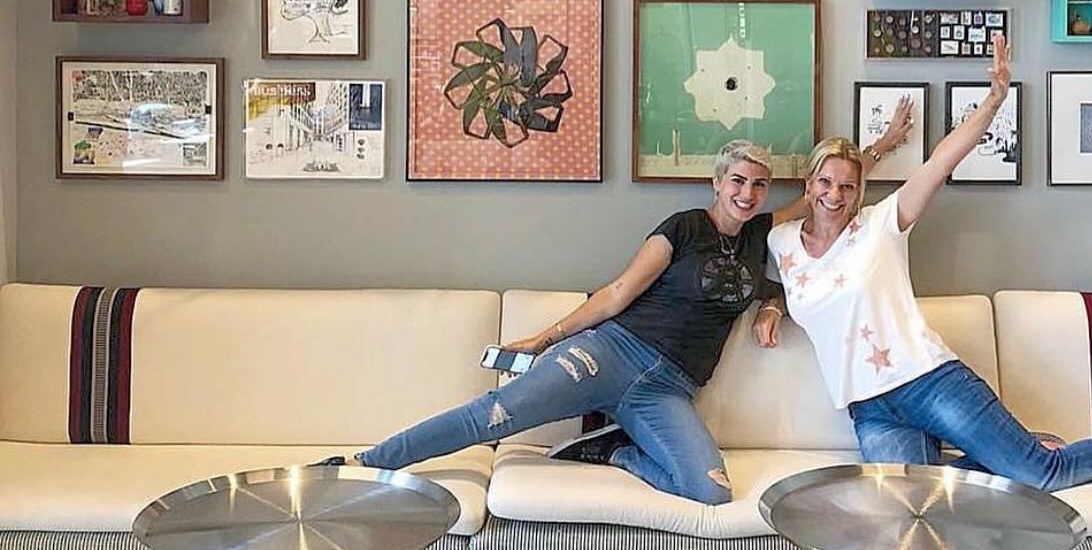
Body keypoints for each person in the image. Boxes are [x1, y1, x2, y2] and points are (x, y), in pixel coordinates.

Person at [314, 125, 914, 503]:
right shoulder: (683, 227)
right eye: (738, 180)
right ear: (717, 182)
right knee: (493, 416)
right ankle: (364, 464)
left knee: (709, 490)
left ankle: (612, 449)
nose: (748, 193)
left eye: (759, 185)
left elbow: (825, 194)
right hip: (607, 355)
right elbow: (618, 292)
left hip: (667, 390)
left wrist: (773, 303)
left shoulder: (763, 236)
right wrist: (543, 339)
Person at [761, 32, 1092, 489]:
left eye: (848, 186)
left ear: (858, 192)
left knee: (1043, 474)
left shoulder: (881, 224)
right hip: (869, 408)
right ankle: (1019, 449)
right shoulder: (782, 242)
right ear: (808, 185)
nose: (835, 194)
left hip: (927, 379)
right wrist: (772, 306)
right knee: (909, 507)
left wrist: (993, 101)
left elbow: (939, 163)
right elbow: (788, 281)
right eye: (825, 183)